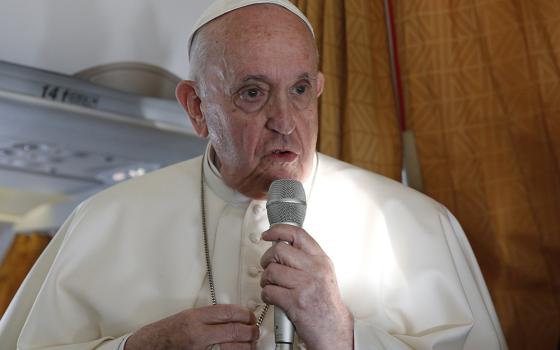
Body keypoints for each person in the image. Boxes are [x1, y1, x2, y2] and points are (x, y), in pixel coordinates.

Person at [0, 0, 508, 349]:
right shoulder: (100, 222)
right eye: (252, 92)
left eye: (301, 90)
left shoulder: (417, 226)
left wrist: (344, 337)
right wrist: (138, 347)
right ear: (196, 107)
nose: (284, 121)